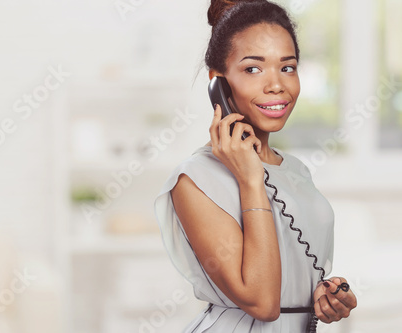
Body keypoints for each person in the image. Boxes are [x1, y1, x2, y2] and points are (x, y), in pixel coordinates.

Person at [153, 0, 357, 331]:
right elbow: (262, 302)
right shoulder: (194, 180)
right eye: (253, 68)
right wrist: (249, 180)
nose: (276, 85)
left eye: (287, 67)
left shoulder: (295, 170)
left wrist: (321, 298)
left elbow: (286, 276)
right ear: (217, 83)